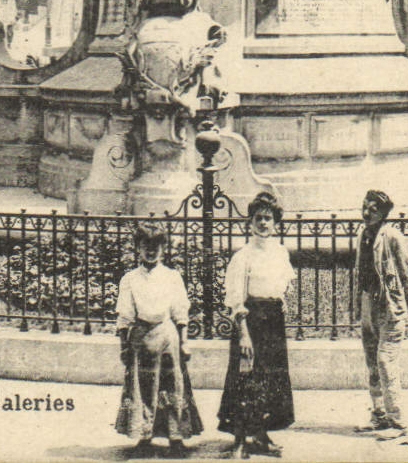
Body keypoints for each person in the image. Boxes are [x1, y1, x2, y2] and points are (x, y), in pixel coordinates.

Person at [218, 192, 295, 458]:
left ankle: (261, 436)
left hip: (273, 324)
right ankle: (240, 441)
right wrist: (243, 336)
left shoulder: (281, 252)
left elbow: (283, 283)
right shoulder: (242, 257)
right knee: (245, 379)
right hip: (251, 323)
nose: (263, 223)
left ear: (276, 224)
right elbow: (236, 299)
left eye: (268, 218)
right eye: (258, 218)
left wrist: (281, 300)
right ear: (250, 222)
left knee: (269, 380)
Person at [114, 224, 202, 454]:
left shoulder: (172, 277)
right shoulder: (130, 279)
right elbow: (125, 315)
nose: (151, 251)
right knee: (143, 387)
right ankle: (145, 436)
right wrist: (124, 346)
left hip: (167, 335)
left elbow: (180, 312)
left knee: (173, 384)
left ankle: (175, 436)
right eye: (146, 246)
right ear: (138, 248)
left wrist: (184, 341)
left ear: (163, 248)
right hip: (141, 337)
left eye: (156, 246)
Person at [356, 190, 408, 442]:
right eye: (365, 206)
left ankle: (397, 420)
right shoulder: (364, 235)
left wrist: (403, 307)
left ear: (383, 213)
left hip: (390, 308)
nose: (367, 212)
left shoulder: (392, 236)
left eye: (373, 209)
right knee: (372, 360)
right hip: (368, 304)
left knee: (385, 361)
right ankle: (379, 415)